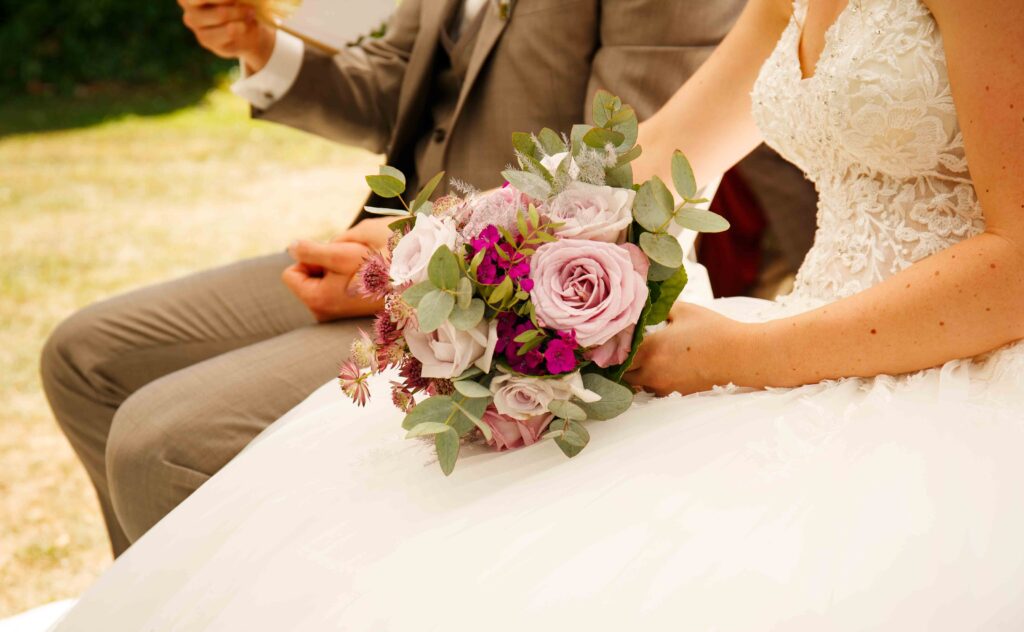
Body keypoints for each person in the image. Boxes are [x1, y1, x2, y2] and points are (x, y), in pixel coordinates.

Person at [12, 0, 1023, 632]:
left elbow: (1016, 258)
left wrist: (734, 355)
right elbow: (659, 155)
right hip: (789, 347)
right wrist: (441, 256)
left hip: (951, 374)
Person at [39, 0, 815, 556]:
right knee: (84, 355)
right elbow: (394, 85)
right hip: (387, 255)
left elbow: (621, 178)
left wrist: (425, 244)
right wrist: (262, 46)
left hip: (511, 302)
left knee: (158, 442)